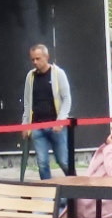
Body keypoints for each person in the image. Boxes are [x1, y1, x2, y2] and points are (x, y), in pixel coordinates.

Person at [21, 44, 74, 178]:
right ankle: (48, 194)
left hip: (56, 125)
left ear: (46, 57)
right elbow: (27, 102)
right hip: (37, 127)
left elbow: (67, 99)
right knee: (42, 163)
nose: (35, 62)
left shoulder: (58, 73)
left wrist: (60, 121)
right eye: (32, 59)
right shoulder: (30, 77)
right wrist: (25, 124)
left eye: (38, 59)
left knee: (63, 161)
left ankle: (76, 190)